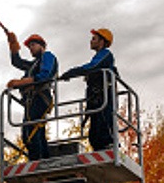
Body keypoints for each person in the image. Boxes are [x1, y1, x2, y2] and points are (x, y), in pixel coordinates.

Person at [59, 28, 118, 151]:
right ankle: (100, 148)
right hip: (96, 100)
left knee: (104, 128)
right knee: (94, 134)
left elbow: (93, 67)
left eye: (94, 38)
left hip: (103, 98)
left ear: (102, 41)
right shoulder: (98, 56)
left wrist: (72, 72)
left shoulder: (106, 54)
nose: (91, 41)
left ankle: (109, 145)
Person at [6, 32, 58, 160]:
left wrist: (23, 82)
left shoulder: (47, 56)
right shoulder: (34, 64)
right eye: (29, 47)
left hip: (41, 97)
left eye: (33, 45)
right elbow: (17, 62)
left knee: (31, 132)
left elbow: (45, 75)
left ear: (42, 46)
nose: (31, 49)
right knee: (35, 131)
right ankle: (44, 159)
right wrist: (12, 44)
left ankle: (37, 160)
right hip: (32, 100)